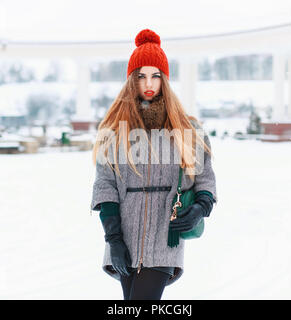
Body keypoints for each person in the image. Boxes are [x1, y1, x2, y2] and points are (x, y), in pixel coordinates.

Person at [91, 28, 218, 300]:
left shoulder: (188, 129)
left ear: (164, 80)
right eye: (141, 76)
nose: (149, 82)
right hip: (123, 238)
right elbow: (105, 186)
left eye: (155, 75)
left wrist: (199, 207)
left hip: (165, 237)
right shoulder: (114, 130)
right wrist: (113, 239)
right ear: (131, 81)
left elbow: (205, 177)